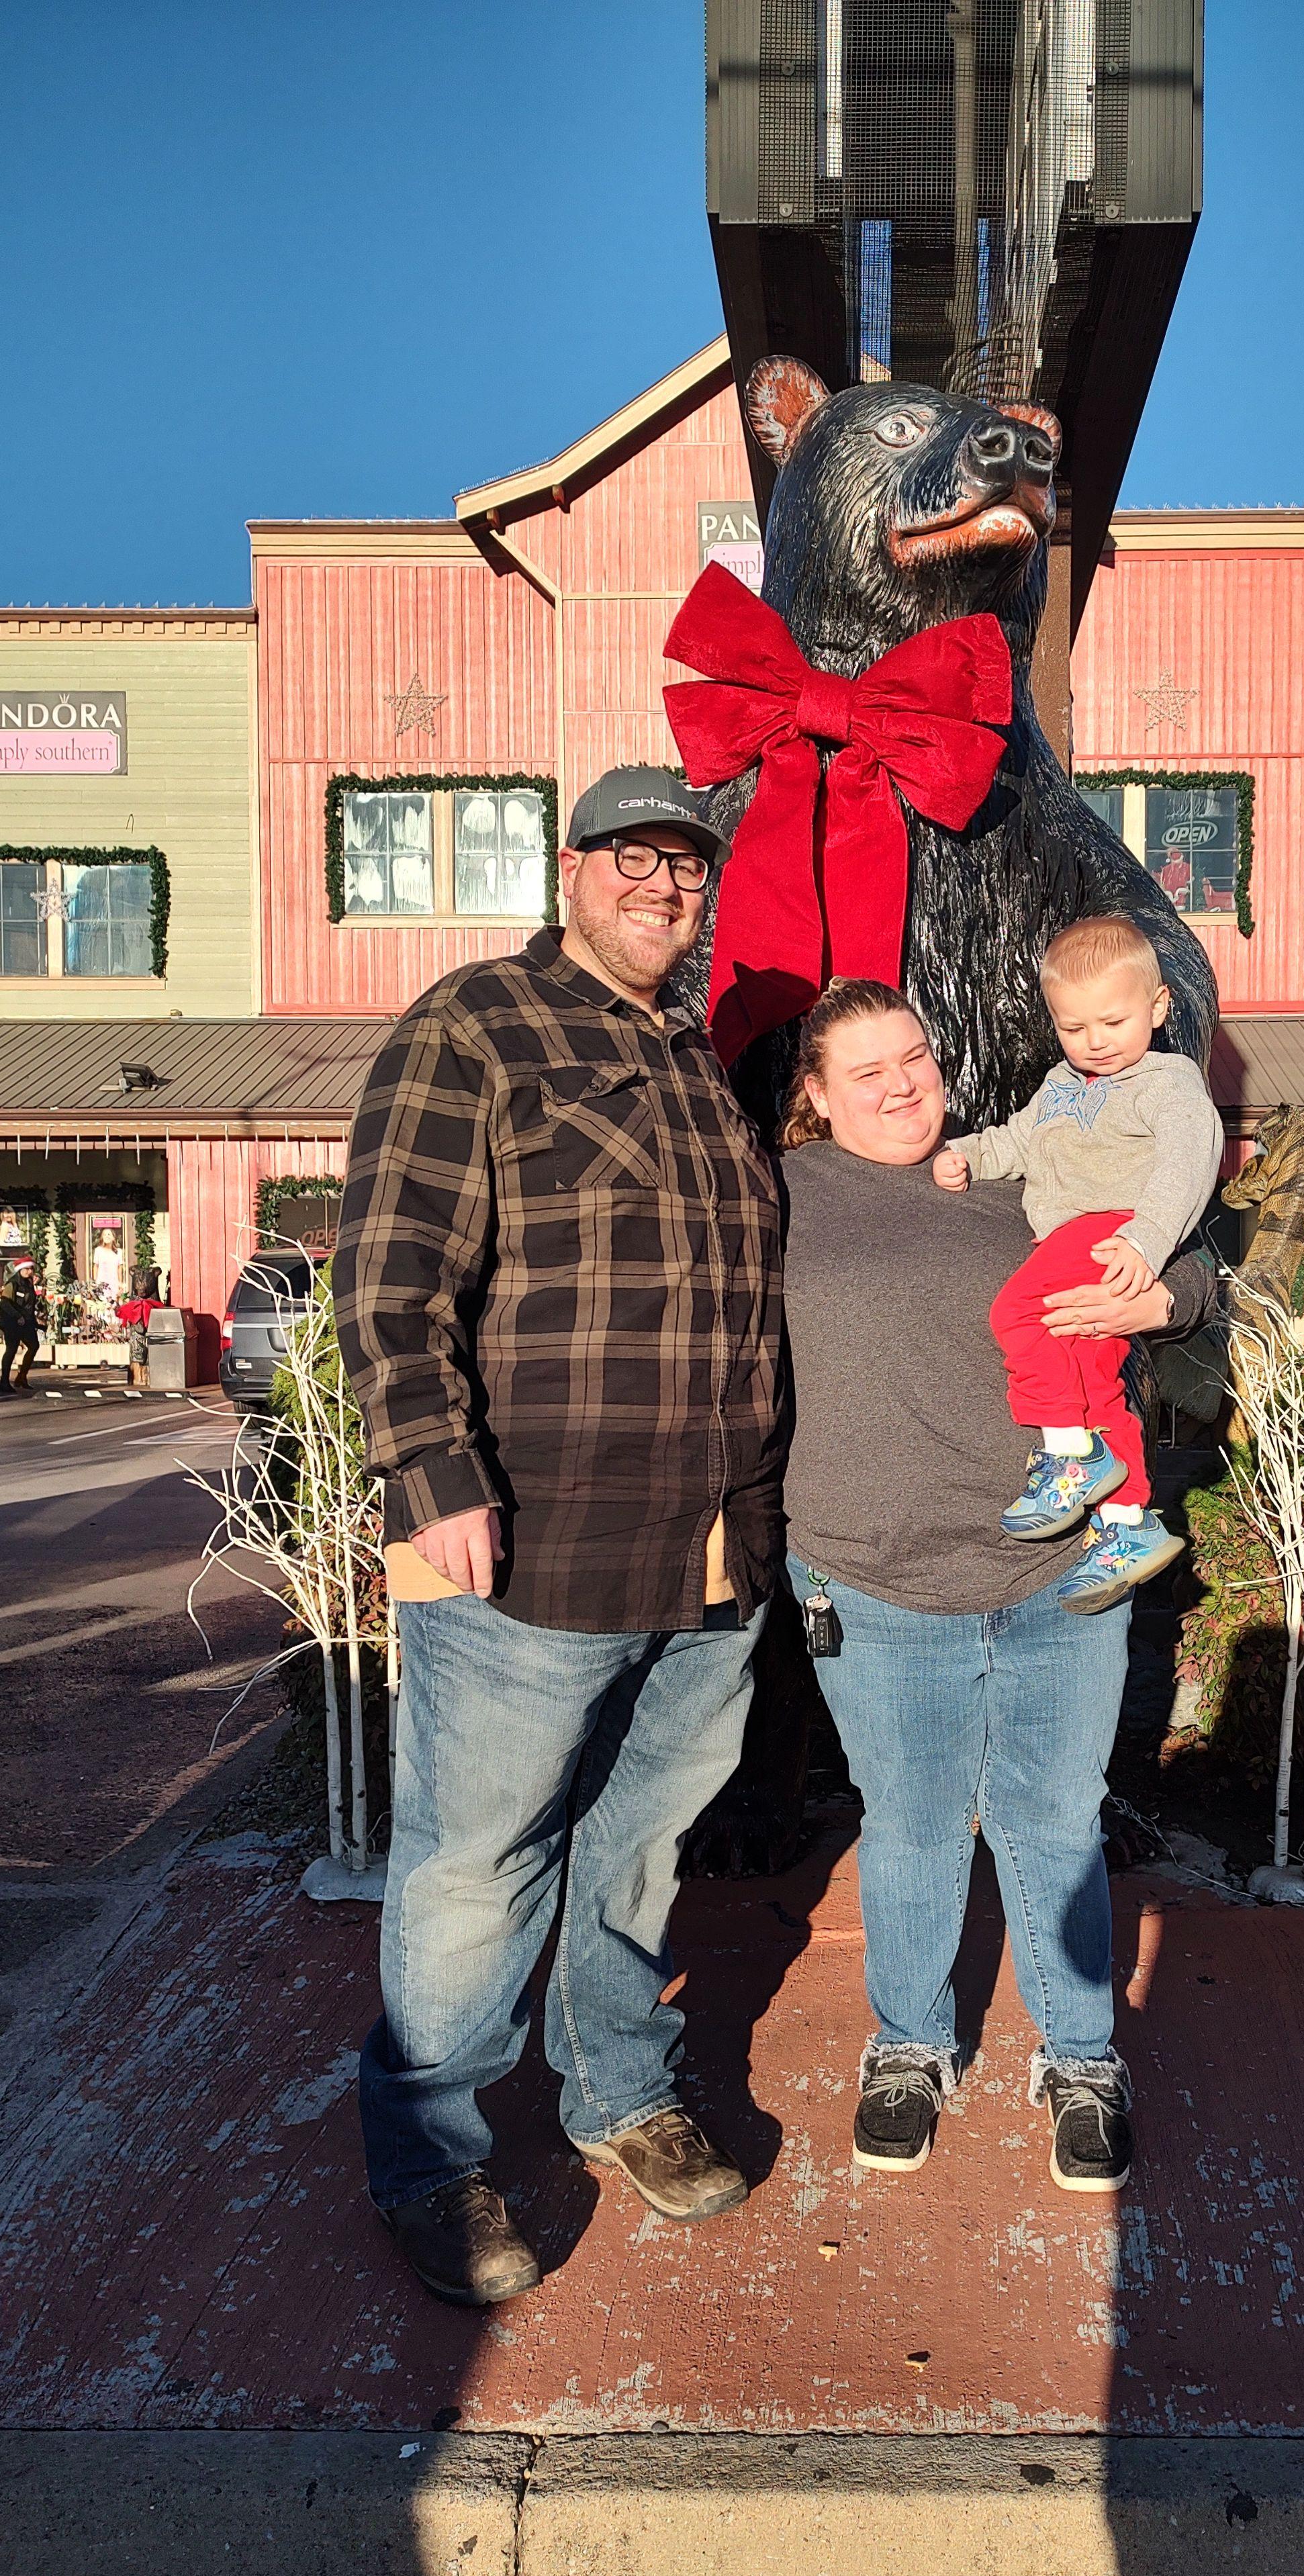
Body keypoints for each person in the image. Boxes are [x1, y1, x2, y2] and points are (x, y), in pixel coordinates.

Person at [333, 766, 786, 2309]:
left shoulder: (698, 1063)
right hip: (525, 1543)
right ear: (572, 868)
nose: (662, 886)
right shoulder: (474, 1025)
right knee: (476, 1862)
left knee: (641, 1838)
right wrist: (430, 1470)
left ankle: (618, 2089)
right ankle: (428, 2155)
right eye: (631, 859)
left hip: (709, 1550)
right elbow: (390, 1268)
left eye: (684, 866)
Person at [778, 978, 1219, 2196]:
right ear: (816, 1096)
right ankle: (911, 2045)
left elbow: (1193, 1256)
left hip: (1060, 1567)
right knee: (911, 1822)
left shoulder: (1018, 1170)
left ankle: (1080, 2058)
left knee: (1054, 1819)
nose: (901, 1085)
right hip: (875, 1574)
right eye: (866, 1071)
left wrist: (1166, 1294)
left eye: (914, 1057)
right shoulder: (780, 1193)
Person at [933, 913, 1224, 1609]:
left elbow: (1191, 1159)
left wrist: (1147, 1239)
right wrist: (966, 1153)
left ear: (1158, 1008)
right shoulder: (1061, 1084)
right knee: (1095, 1385)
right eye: (1074, 1027)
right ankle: (1127, 1523)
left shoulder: (1167, 1082)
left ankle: (1069, 1455)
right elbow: (1017, 1141)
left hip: (1109, 1231)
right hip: (1081, 1240)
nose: (1095, 1040)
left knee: (1016, 1315)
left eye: (1113, 1021)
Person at [0, 1261, 42, 1393]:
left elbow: (30, 1305)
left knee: (34, 1346)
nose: (30, 1271)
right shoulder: (12, 1284)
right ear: (20, 1269)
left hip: (25, 1322)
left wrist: (35, 1322)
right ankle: (4, 1381)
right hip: (11, 1322)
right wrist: (17, 1316)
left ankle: (22, 1377)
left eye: (31, 1269)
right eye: (27, 1269)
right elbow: (5, 1303)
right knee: (11, 1349)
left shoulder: (29, 1284)